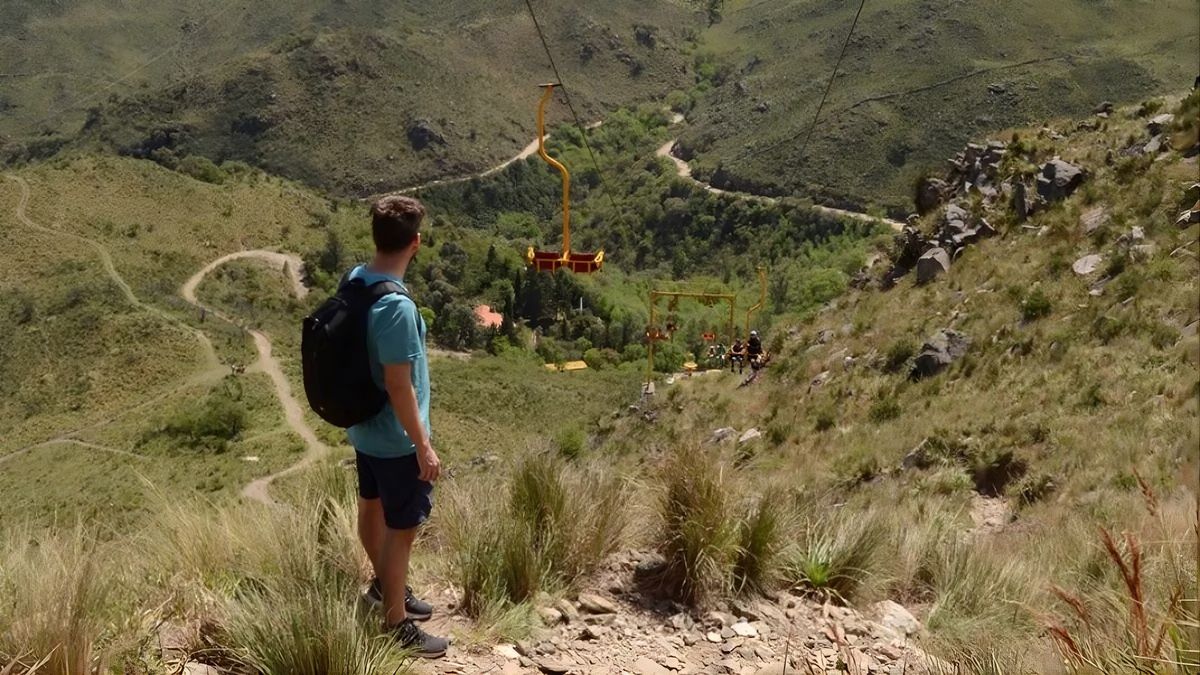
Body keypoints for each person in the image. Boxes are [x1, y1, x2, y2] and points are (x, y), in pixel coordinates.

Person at [347, 195, 448, 659]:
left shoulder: (357, 280)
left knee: (370, 510)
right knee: (402, 528)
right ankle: (396, 623)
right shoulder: (399, 308)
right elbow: (399, 385)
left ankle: (385, 587)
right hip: (395, 439)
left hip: (363, 428)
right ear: (416, 243)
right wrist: (423, 445)